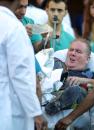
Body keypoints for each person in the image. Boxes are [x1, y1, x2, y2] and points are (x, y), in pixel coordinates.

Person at [0, 0, 47, 130]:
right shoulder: (14, 28)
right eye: (21, 6)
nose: (23, 11)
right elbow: (21, 75)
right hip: (8, 113)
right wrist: (36, 113)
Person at [45, 39, 94, 115]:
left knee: (77, 90)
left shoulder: (90, 74)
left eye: (78, 52)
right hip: (51, 91)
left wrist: (83, 80)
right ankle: (56, 100)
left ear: (87, 59)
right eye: (71, 50)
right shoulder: (57, 64)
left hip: (75, 99)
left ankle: (57, 104)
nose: (73, 53)